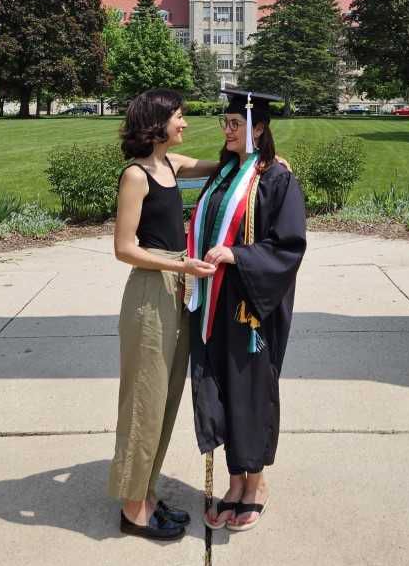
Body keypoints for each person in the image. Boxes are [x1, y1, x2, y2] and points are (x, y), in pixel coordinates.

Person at [187, 89, 306, 533]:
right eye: (226, 123)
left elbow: (289, 245)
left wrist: (238, 257)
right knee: (222, 387)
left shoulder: (276, 179)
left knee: (250, 388)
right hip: (213, 303)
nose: (227, 130)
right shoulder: (225, 175)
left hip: (252, 306)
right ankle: (235, 481)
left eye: (235, 124)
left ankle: (255, 483)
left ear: (258, 128)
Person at [109, 88, 218, 542]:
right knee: (145, 399)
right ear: (157, 122)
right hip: (151, 292)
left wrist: (267, 158)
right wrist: (180, 265)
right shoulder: (136, 175)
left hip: (178, 288)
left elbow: (219, 166)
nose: (185, 124)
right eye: (179, 116)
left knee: (168, 397)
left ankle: (146, 493)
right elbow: (124, 248)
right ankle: (133, 509)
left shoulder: (170, 166)